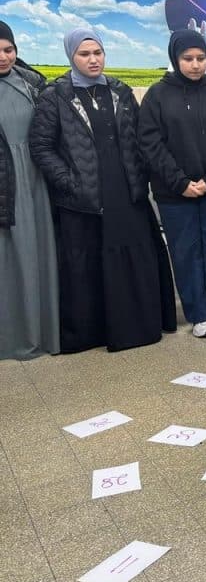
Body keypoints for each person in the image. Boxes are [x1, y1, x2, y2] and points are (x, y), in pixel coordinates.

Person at [30, 27, 176, 353]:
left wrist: (141, 177)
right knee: (87, 267)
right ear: (71, 57)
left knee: (132, 259)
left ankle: (138, 328)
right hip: (82, 201)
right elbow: (41, 147)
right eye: (84, 54)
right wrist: (70, 182)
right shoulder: (55, 96)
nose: (93, 60)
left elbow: (140, 138)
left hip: (126, 193)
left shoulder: (120, 91)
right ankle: (92, 334)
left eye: (98, 53)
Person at [137, 29, 206, 339]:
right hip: (174, 193)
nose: (196, 65)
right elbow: (150, 143)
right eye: (188, 59)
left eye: (201, 58)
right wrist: (180, 182)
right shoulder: (157, 95)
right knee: (186, 253)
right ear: (175, 59)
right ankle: (199, 316)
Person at [0, 20, 59, 360]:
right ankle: (13, 336)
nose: (3, 57)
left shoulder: (32, 83)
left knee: (39, 253)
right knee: (11, 260)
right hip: (6, 184)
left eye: (8, 49)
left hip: (36, 180)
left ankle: (42, 332)